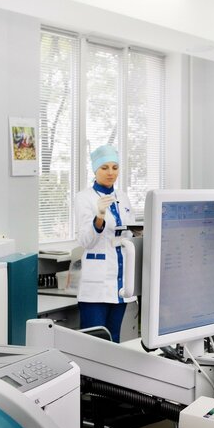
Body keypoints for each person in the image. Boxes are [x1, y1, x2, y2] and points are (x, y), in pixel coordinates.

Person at [75, 144, 135, 343]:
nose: (111, 173)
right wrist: (99, 217)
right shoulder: (84, 198)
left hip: (121, 282)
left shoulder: (123, 197)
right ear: (95, 170)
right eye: (105, 168)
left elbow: (130, 233)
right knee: (94, 341)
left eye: (115, 168)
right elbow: (86, 241)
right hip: (96, 284)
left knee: (114, 339)